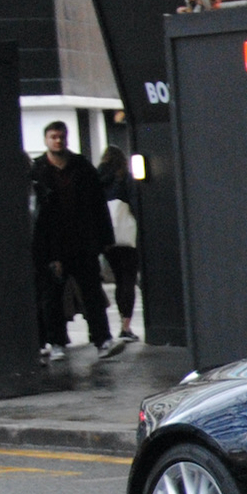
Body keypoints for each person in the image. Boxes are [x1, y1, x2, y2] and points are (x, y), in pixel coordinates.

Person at [31, 121, 121, 361]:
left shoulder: (81, 167)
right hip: (52, 245)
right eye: (54, 137)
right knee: (52, 297)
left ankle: (102, 338)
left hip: (81, 242)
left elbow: (97, 205)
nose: (58, 141)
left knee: (91, 292)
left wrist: (104, 239)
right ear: (46, 140)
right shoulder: (39, 171)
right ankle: (58, 341)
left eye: (61, 137)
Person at [98, 141, 139, 345]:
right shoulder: (124, 177)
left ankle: (119, 324)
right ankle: (126, 326)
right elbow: (135, 203)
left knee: (118, 278)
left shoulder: (97, 179)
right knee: (128, 279)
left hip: (108, 237)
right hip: (127, 236)